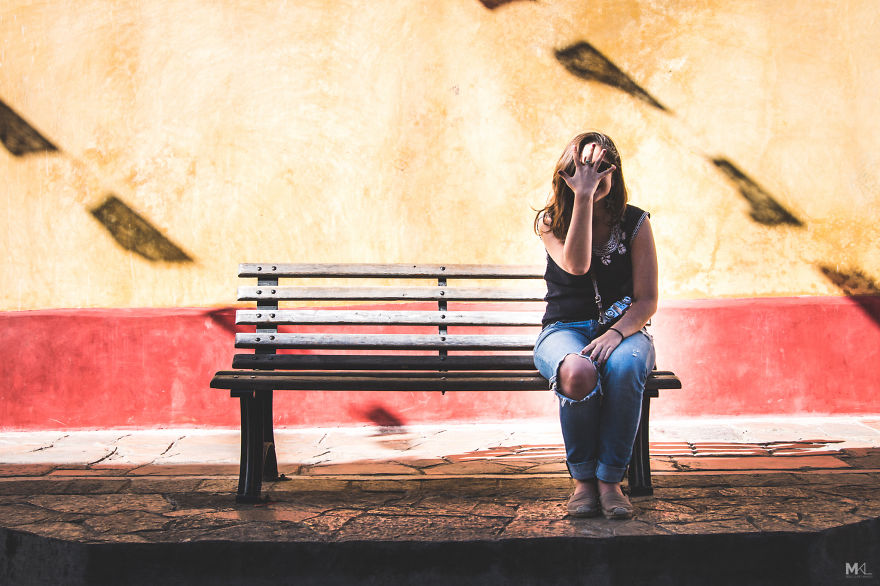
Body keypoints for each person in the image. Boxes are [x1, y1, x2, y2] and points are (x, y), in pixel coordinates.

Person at [533, 132, 658, 519]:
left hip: (624, 330)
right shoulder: (551, 221)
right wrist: (583, 197)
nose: (591, 175)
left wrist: (616, 333)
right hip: (563, 329)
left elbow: (647, 300)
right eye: (582, 167)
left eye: (601, 168)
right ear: (567, 172)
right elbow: (577, 265)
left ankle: (610, 481)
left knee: (626, 365)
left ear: (614, 172)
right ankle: (584, 481)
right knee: (577, 371)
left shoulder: (635, 222)